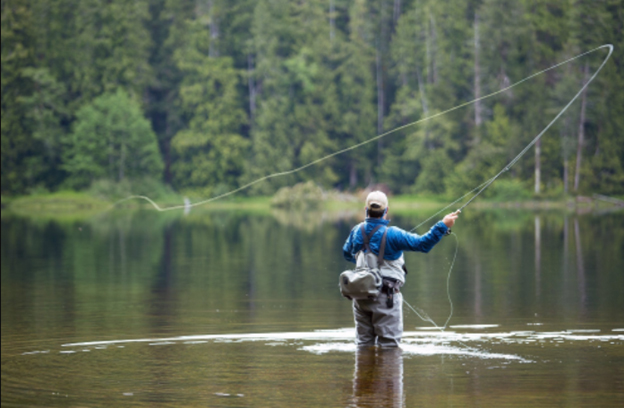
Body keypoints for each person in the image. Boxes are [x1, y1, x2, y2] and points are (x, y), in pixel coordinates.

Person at [342, 191, 459, 347]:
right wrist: (443, 225)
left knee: (363, 345)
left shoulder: (356, 230)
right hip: (387, 297)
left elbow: (347, 253)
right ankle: (388, 371)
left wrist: (364, 267)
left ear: (366, 209)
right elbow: (423, 244)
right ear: (386, 210)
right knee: (389, 347)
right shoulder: (393, 234)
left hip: (360, 297)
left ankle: (364, 371)